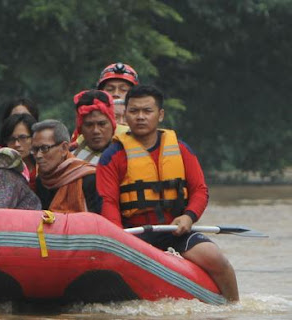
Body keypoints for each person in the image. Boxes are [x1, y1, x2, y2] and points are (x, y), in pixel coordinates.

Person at [96, 85, 239, 302]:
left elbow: (199, 190)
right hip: (134, 234)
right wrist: (119, 239)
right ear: (125, 115)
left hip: (175, 231)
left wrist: (189, 216)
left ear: (160, 115)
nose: (140, 117)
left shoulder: (181, 150)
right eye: (134, 112)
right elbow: (109, 202)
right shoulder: (112, 156)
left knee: (217, 260)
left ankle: (235, 309)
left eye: (147, 111)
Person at [32, 120, 102, 213]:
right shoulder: (41, 181)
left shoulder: (89, 178)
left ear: (64, 148)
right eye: (35, 150)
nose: (38, 155)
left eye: (44, 148)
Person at [71, 90, 121, 165]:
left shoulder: (130, 153)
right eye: (89, 125)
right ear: (80, 128)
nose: (96, 131)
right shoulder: (67, 160)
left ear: (113, 124)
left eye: (102, 124)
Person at [0, 113, 37, 190]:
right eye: (11, 139)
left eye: (23, 138)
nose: (16, 144)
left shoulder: (43, 169)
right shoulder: (0, 173)